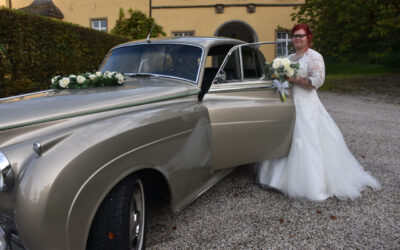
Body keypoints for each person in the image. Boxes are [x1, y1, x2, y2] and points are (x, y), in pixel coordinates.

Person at [256, 24, 381, 201]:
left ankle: (310, 184)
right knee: (284, 137)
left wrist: (293, 78)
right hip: (288, 102)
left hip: (306, 104)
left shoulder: (315, 56)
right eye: (294, 36)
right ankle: (276, 179)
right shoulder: (290, 57)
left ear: (309, 37)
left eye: (300, 35)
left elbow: (317, 80)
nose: (296, 39)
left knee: (307, 140)